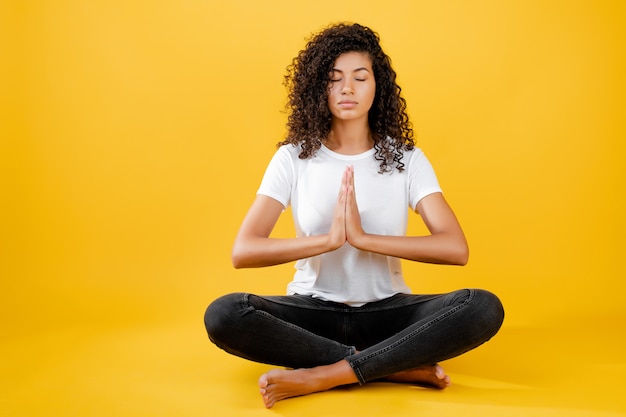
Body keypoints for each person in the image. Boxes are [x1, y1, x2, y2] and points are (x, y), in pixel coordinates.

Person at [204, 22, 504, 409]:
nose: (347, 88)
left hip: (388, 313)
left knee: (481, 306)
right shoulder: (293, 158)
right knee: (225, 313)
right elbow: (244, 251)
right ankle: (391, 366)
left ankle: (327, 373)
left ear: (376, 86)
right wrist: (327, 241)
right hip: (313, 312)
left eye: (360, 78)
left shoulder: (405, 159)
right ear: (319, 89)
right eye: (334, 79)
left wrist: (363, 239)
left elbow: (455, 247)